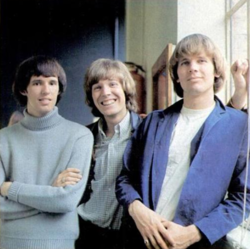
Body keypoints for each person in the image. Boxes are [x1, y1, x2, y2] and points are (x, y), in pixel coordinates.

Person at [116, 34, 250, 249]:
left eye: (201, 60)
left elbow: (244, 197)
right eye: (185, 62)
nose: (193, 68)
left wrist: (195, 233)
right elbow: (125, 177)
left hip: (198, 244)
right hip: (140, 240)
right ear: (176, 75)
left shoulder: (239, 124)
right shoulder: (152, 121)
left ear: (216, 70)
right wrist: (137, 209)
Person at [0, 55, 93, 249]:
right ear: (24, 89)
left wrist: (10, 189)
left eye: (52, 82)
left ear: (59, 88)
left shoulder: (80, 136)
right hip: (10, 243)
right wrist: (50, 191)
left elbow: (66, 201)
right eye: (37, 83)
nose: (46, 90)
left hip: (59, 244)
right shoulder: (3, 138)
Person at [53, 58, 142, 249]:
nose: (106, 92)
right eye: (97, 87)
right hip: (85, 233)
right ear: (91, 96)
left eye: (112, 84)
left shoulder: (146, 132)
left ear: (125, 89)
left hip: (128, 238)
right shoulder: (82, 136)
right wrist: (57, 182)